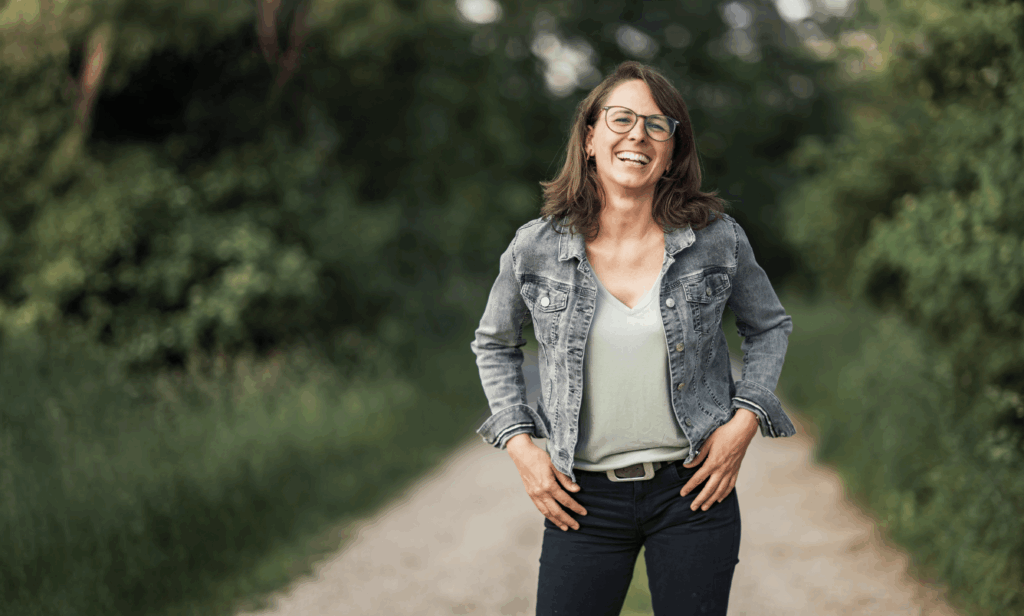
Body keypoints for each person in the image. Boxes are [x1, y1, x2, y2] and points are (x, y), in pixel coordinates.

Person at [470, 61, 795, 616]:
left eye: (656, 124)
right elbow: (494, 343)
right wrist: (521, 447)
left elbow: (768, 326)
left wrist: (744, 422)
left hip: (693, 491)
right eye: (621, 119)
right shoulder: (535, 247)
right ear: (590, 137)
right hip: (583, 501)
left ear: (672, 150)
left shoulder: (717, 240)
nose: (638, 135)